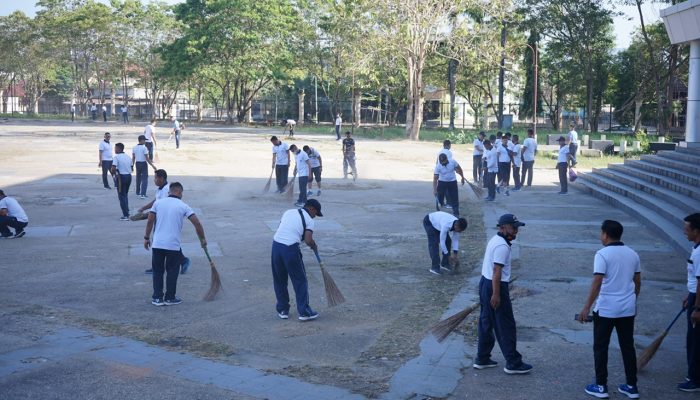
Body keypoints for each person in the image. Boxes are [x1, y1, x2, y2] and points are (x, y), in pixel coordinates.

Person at [578, 220, 641, 399]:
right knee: (628, 347)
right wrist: (632, 298)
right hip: (627, 309)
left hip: (606, 309)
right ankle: (631, 386)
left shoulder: (602, 254)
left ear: (605, 234)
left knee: (601, 347)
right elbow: (638, 281)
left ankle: (601, 386)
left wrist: (586, 308)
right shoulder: (633, 254)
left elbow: (597, 282)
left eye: (601, 233)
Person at [475, 214, 532, 374]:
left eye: (517, 228)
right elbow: (497, 271)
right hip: (495, 286)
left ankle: (482, 358)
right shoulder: (502, 246)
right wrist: (496, 294)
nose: (516, 231)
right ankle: (513, 363)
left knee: (486, 322)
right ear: (502, 228)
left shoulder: (496, 239)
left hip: (485, 283)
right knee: (505, 324)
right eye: (513, 228)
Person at [144, 182, 206, 306]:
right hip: (173, 245)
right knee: (172, 271)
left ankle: (157, 298)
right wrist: (202, 240)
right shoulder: (184, 206)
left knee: (158, 271)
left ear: (169, 192)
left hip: (157, 244)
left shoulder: (158, 203)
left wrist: (146, 237)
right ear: (179, 192)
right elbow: (197, 223)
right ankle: (170, 297)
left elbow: (150, 220)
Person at [271, 199, 324, 321]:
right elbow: (308, 240)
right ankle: (304, 312)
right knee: (300, 280)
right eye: (315, 213)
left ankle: (283, 310)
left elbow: (281, 227)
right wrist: (314, 246)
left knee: (279, 279)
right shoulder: (309, 220)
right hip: (290, 249)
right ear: (311, 209)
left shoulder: (288, 212)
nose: (315, 216)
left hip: (276, 246)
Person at [135, 169, 191, 275]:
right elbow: (156, 202)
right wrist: (144, 208)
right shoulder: (160, 189)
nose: (154, 180)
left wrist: (145, 215)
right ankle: (180, 261)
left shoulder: (167, 190)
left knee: (162, 241)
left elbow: (162, 206)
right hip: (160, 219)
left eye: (155, 178)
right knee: (163, 241)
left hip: (165, 219)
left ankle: (181, 261)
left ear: (161, 178)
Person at [679, 213, 700, 392]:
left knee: (695, 340)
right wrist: (689, 295)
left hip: (698, 301)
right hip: (694, 296)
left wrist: (697, 307)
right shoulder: (696, 248)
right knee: (693, 338)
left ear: (696, 230)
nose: (684, 232)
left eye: (687, 229)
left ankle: (695, 379)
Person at [423, 211, 467, 275]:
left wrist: (455, 253)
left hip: (439, 222)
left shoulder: (458, 224)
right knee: (434, 244)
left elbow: (455, 240)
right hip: (430, 222)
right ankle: (434, 267)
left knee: (448, 241)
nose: (460, 232)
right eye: (460, 230)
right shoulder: (446, 225)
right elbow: (442, 242)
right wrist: (448, 255)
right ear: (456, 226)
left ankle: (445, 263)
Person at [110, 142, 132, 221]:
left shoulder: (116, 157)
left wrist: (114, 174)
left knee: (121, 196)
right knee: (125, 195)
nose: (114, 150)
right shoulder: (128, 157)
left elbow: (113, 168)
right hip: (129, 176)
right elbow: (132, 168)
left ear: (119, 149)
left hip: (121, 177)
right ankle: (127, 211)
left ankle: (125, 215)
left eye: (115, 148)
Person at [132, 135, 157, 199]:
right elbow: (147, 158)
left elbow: (133, 157)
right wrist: (153, 165)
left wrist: (132, 165)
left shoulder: (134, 147)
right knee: (144, 179)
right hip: (143, 163)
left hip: (137, 163)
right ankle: (143, 194)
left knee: (138, 178)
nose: (145, 141)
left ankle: (138, 192)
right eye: (144, 140)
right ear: (141, 140)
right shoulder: (144, 148)